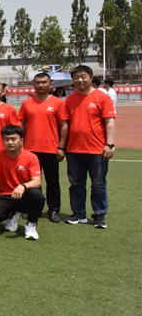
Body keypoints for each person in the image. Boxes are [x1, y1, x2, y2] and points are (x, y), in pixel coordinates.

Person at [64, 65, 116, 228]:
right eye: (76, 77)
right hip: (74, 150)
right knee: (76, 184)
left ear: (91, 77)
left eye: (83, 76)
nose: (79, 80)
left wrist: (109, 144)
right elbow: (66, 125)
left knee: (98, 184)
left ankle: (99, 215)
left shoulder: (102, 97)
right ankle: (78, 214)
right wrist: (62, 147)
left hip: (97, 150)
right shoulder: (70, 99)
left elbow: (109, 122)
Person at [19, 72, 69, 222]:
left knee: (52, 181)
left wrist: (61, 147)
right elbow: (21, 126)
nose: (41, 85)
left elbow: (64, 126)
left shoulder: (58, 103)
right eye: (38, 82)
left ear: (50, 84)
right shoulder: (27, 103)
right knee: (33, 181)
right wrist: (21, 146)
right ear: (33, 85)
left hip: (51, 149)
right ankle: (35, 208)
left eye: (44, 82)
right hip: (30, 149)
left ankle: (53, 209)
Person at [0, 125, 45, 240]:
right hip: (5, 195)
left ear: (21, 140)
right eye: (6, 139)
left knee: (37, 195)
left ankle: (31, 224)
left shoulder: (31, 157)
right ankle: (12, 214)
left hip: (23, 195)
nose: (10, 142)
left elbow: (37, 181)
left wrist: (23, 185)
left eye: (13, 139)